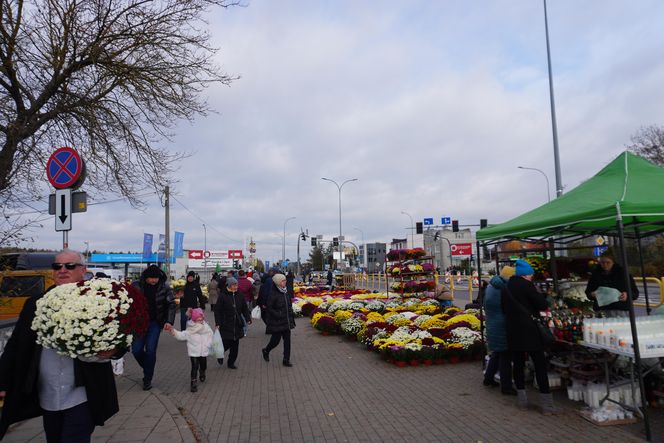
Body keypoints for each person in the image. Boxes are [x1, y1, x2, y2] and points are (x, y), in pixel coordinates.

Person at [0, 249, 120, 441]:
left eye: (70, 266)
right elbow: (16, 344)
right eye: (57, 266)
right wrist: (4, 380)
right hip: (47, 394)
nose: (62, 270)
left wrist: (115, 350)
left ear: (83, 270)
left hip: (83, 393)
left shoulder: (99, 301)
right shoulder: (36, 304)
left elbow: (120, 336)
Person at [503, 259, 555, 414]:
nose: (532, 277)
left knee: (518, 364)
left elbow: (504, 308)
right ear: (526, 274)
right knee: (539, 364)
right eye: (531, 274)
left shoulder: (506, 288)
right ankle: (547, 405)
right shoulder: (527, 286)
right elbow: (542, 304)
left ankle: (522, 400)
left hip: (513, 331)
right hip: (530, 330)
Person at [131, 264, 176, 391]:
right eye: (151, 278)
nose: (154, 280)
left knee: (151, 350)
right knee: (136, 350)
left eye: (156, 278)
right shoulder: (136, 286)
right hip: (139, 323)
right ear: (146, 277)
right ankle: (148, 367)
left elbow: (171, 304)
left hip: (155, 323)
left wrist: (169, 321)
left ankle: (147, 379)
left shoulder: (164, 287)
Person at [483, 266, 517, 395]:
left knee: (497, 353)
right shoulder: (503, 288)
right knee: (505, 356)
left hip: (492, 323)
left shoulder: (492, 285)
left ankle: (488, 378)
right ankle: (506, 387)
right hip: (501, 325)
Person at [164, 308, 213, 393]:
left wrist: (209, 344)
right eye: (198, 320)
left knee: (203, 364)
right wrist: (172, 330)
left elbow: (211, 335)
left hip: (203, 352)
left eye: (202, 319)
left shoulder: (207, 327)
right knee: (194, 366)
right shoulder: (190, 330)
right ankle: (193, 382)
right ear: (194, 320)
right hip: (194, 352)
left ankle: (202, 371)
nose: (200, 321)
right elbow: (181, 335)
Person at [585, 248, 639, 316]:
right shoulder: (596, 274)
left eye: (608, 262)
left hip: (620, 310)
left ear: (613, 262)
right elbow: (588, 291)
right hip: (601, 310)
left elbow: (635, 293)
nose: (605, 265)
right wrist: (591, 294)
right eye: (602, 263)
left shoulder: (623, 273)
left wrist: (627, 295)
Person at [213, 277, 251, 369]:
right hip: (226, 323)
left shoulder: (240, 295)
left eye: (236, 284)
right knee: (226, 343)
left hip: (237, 324)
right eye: (234, 285)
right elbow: (217, 310)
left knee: (235, 346)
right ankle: (220, 354)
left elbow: (244, 308)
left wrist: (247, 318)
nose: (236, 286)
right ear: (229, 285)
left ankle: (231, 362)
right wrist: (218, 322)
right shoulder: (223, 296)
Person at [261, 273, 296, 367]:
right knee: (275, 340)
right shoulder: (273, 293)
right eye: (283, 281)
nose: (285, 282)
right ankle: (266, 350)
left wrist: (291, 314)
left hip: (286, 320)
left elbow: (289, 304)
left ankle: (286, 359)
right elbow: (269, 307)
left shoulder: (286, 291)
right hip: (277, 321)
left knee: (287, 340)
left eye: (285, 280)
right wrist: (278, 314)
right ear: (278, 282)